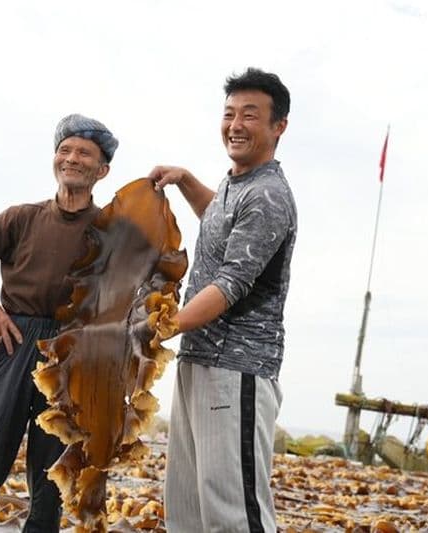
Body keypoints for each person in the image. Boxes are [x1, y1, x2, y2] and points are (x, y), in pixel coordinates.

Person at [0, 114, 118, 533]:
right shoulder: (21, 218)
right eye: (65, 150)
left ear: (102, 170)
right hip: (14, 343)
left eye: (84, 153)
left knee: (52, 480)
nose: (72, 159)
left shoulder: (112, 231)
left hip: (73, 359)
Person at [148, 67, 296, 532]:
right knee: (189, 511)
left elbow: (232, 282)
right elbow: (219, 219)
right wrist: (187, 180)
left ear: (278, 127)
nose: (235, 124)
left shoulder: (269, 194)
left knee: (235, 517)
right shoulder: (237, 185)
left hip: (238, 371)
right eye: (229, 113)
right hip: (200, 362)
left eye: (250, 115)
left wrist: (166, 324)